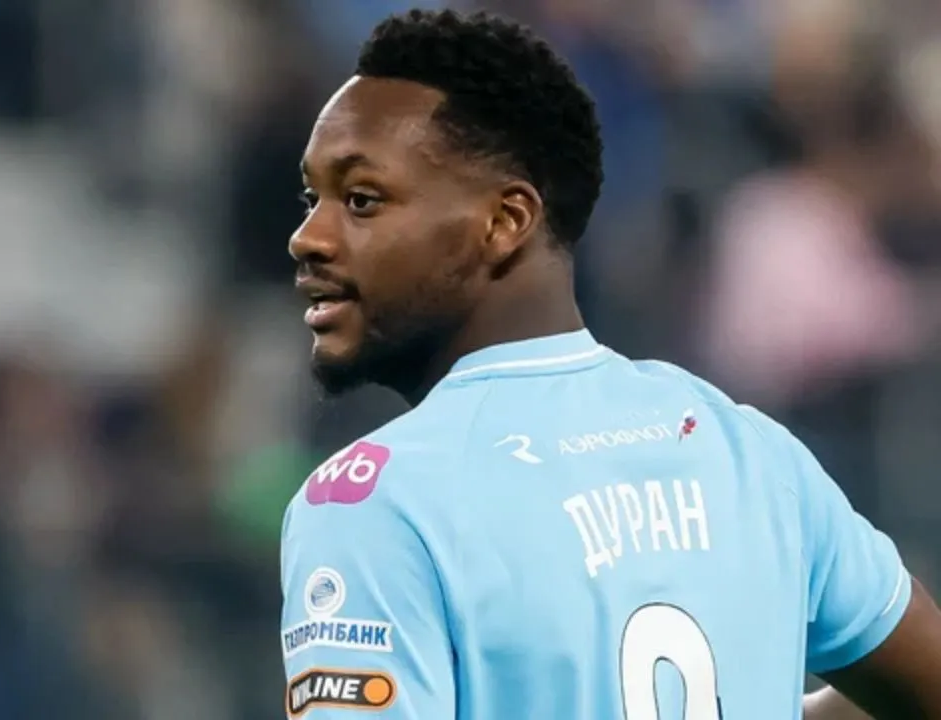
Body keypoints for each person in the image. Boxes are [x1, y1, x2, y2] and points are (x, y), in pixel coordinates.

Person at [279, 9, 941, 719]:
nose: (307, 238)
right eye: (312, 200)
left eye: (361, 200)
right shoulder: (742, 448)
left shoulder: (372, 505)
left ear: (505, 222)